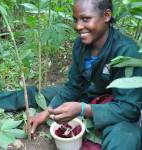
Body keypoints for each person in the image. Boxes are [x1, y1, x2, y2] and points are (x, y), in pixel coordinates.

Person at [25, 0, 142, 149]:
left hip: (114, 108)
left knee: (126, 137)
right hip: (87, 95)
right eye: (75, 19)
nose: (78, 26)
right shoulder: (80, 44)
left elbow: (130, 109)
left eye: (86, 19)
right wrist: (48, 111)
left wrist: (82, 109)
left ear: (106, 15)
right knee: (38, 93)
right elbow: (74, 84)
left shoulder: (127, 51)